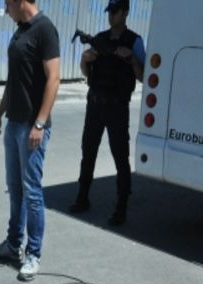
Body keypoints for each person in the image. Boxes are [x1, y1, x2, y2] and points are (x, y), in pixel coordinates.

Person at [0, 0, 60, 281]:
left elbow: (54, 78)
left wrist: (40, 123)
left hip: (33, 127)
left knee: (31, 192)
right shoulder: (20, 31)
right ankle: (13, 244)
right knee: (14, 188)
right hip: (14, 124)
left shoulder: (45, 30)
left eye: (7, 3)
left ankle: (33, 254)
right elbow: (13, 81)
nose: (5, 9)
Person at [69, 0, 145, 226]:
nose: (111, 16)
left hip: (117, 107)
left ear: (125, 13)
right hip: (95, 104)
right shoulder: (100, 38)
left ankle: (121, 208)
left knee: (120, 157)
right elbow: (86, 72)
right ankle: (82, 198)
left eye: (115, 12)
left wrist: (131, 57)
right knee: (88, 153)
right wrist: (84, 60)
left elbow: (143, 76)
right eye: (109, 12)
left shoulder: (134, 41)